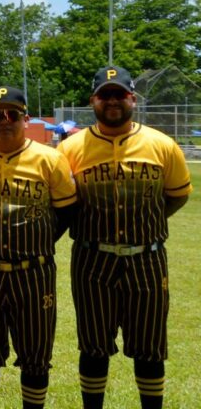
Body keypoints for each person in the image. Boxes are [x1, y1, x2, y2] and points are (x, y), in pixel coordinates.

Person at [58, 67, 192, 409]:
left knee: (149, 347)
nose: (113, 101)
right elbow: (61, 203)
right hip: (92, 258)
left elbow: (177, 195)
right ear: (93, 101)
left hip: (146, 258)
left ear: (133, 98)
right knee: (93, 346)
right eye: (106, 95)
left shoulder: (162, 145)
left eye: (120, 94)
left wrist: (144, 224)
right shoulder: (71, 149)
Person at [0, 86, 78, 409]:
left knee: (36, 357)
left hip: (34, 271)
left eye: (12, 114)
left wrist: (35, 241)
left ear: (26, 119)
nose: (5, 120)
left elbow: (66, 210)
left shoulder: (50, 159)